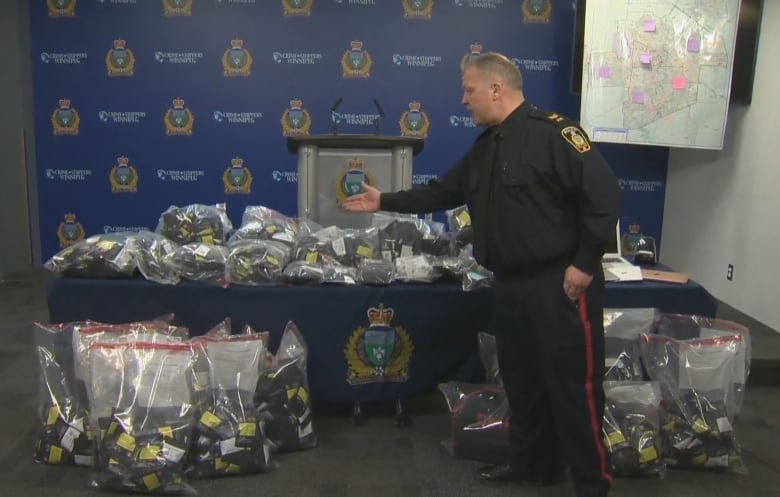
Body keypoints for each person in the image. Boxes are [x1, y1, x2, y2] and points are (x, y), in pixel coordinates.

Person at [342, 52, 621, 497]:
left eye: (469, 90)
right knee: (523, 384)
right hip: (509, 285)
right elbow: (442, 191)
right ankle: (534, 465)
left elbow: (604, 197)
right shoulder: (486, 147)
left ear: (496, 89)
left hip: (560, 286)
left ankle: (592, 484)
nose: (463, 99)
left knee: (574, 389)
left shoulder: (556, 135)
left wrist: (585, 264)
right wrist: (384, 201)